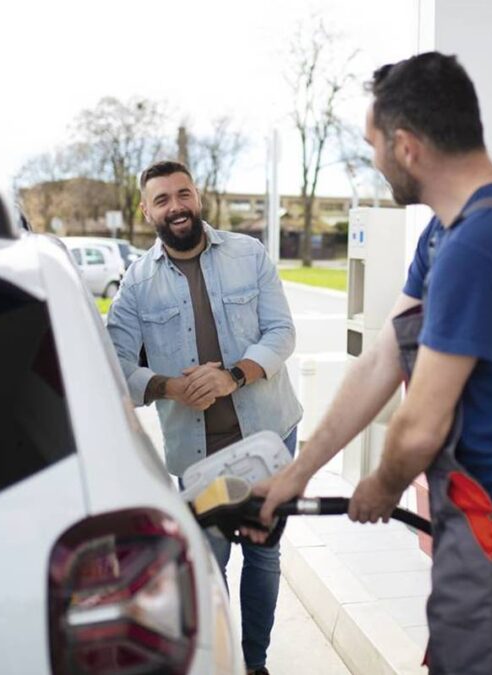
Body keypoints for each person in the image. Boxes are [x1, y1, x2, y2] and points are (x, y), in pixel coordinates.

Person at [254, 52, 492, 674]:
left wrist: (379, 487)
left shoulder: (484, 244)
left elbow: (420, 424)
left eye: (373, 145)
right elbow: (384, 355)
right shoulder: (446, 232)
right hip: (484, 515)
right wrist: (297, 474)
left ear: (406, 147)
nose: (374, 160)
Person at [107, 160, 302, 675]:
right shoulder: (136, 284)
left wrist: (233, 375)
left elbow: (281, 332)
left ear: (198, 197)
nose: (176, 206)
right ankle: (216, 665)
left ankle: (254, 664)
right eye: (163, 199)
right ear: (147, 210)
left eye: (183, 193)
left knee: (263, 553)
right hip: (202, 455)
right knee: (208, 564)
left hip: (267, 436)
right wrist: (169, 386)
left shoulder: (248, 253)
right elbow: (114, 360)